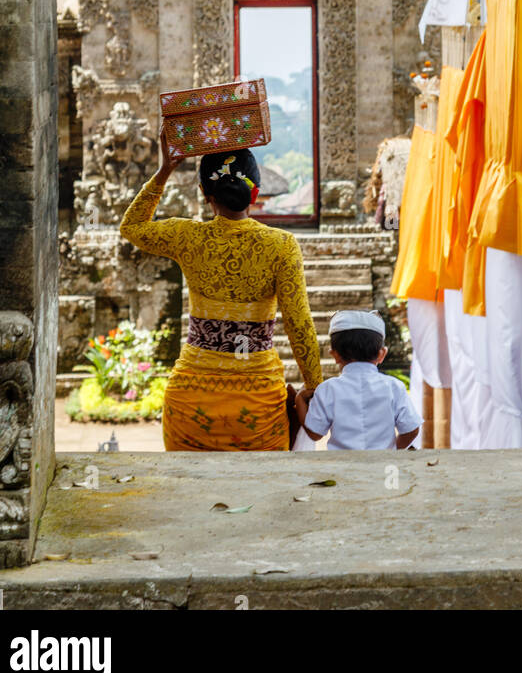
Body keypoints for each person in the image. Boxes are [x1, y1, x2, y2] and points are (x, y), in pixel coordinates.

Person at [120, 128, 322, 451]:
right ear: (254, 194)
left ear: (205, 194)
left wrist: (164, 171)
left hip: (190, 407)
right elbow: (299, 325)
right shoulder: (281, 246)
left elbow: (131, 226)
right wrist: (315, 388)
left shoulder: (187, 236)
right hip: (256, 411)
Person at [295, 311, 420, 451]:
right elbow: (412, 429)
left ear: (335, 355)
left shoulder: (327, 389)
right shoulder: (394, 386)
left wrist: (299, 400)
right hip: (382, 466)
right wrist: (393, 449)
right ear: (382, 354)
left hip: (342, 466)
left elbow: (315, 433)